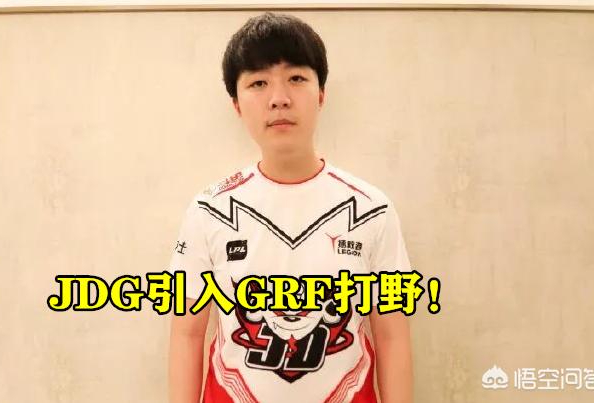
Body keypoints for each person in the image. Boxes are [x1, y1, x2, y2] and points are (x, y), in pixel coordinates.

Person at [168, 12, 413, 403]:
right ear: (236, 104)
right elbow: (187, 334)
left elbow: (392, 336)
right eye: (258, 82)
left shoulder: (372, 210)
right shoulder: (208, 211)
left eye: (296, 78)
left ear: (321, 94)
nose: (279, 98)